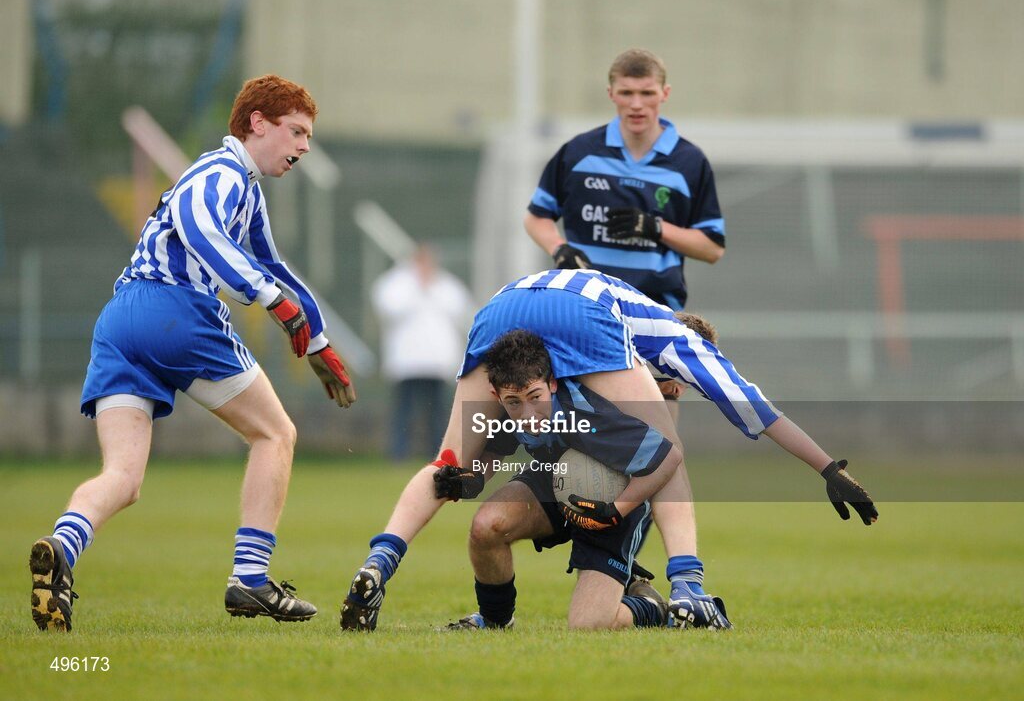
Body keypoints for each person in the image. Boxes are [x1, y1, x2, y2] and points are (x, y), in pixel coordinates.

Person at [340, 269, 876, 632]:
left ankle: (379, 563)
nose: (671, 394)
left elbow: (465, 466)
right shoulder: (656, 344)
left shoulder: (540, 373)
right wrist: (825, 466)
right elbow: (750, 408)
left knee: (447, 464)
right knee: (659, 449)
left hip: (504, 303)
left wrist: (473, 475)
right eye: (672, 387)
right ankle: (686, 589)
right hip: (566, 313)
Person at [29, 74, 357, 633]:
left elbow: (272, 266)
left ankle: (61, 547)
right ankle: (250, 579)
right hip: (174, 312)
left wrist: (318, 339)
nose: (304, 146)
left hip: (121, 322)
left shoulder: (243, 187)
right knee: (275, 434)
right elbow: (201, 229)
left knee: (124, 478)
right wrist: (273, 303)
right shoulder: (221, 171)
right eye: (296, 131)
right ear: (258, 123)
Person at [522, 48, 728, 621]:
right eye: (625, 92)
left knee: (662, 450)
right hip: (583, 326)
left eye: (647, 93)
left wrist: (654, 227)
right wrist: (556, 248)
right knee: (579, 440)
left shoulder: (689, 163)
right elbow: (537, 215)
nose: (636, 103)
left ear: (665, 93)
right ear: (611, 92)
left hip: (656, 326)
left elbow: (712, 247)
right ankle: (623, 559)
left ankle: (687, 580)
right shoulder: (579, 152)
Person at [443, 329, 685, 631]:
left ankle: (651, 607)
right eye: (514, 402)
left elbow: (668, 458)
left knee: (589, 625)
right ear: (497, 395)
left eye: (535, 398)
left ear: (552, 383)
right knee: (486, 526)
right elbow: (494, 452)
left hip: (614, 501)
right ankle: (495, 620)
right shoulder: (508, 407)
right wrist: (473, 479)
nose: (528, 413)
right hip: (554, 478)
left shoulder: (591, 415)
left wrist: (614, 511)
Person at [372, 244, 472, 460]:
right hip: (406, 362)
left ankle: (438, 452)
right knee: (404, 410)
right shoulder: (397, 283)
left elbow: (460, 310)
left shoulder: (446, 284)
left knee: (436, 412)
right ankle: (398, 453)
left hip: (436, 363)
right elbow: (389, 308)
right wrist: (419, 287)